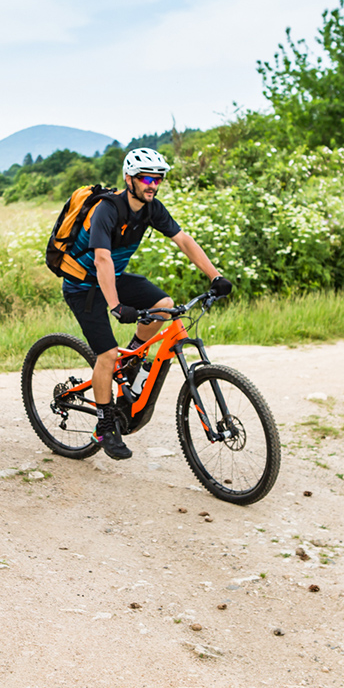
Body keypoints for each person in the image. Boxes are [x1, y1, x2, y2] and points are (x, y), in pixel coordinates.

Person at [62, 147, 232, 460]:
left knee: (163, 304)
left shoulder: (152, 209)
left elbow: (184, 240)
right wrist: (115, 305)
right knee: (107, 353)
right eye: (145, 178)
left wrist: (215, 276)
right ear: (129, 179)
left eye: (158, 178)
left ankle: (131, 358)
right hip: (84, 286)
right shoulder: (107, 209)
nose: (152, 184)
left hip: (114, 277)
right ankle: (104, 424)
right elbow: (101, 259)